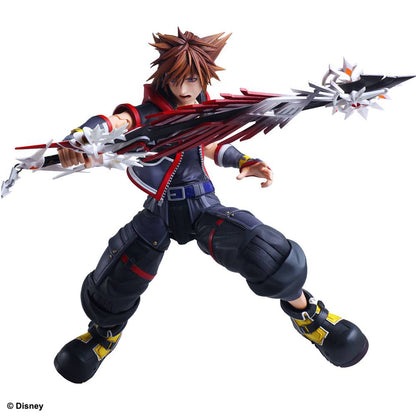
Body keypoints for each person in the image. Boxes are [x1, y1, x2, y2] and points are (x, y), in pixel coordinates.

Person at [54, 29, 368, 383]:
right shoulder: (147, 115)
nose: (184, 88)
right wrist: (78, 139)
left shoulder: (203, 112)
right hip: (159, 210)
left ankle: (309, 316)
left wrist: (244, 161)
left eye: (192, 79)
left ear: (204, 77)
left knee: (265, 252)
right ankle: (104, 333)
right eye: (176, 79)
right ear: (164, 77)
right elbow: (112, 123)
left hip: (200, 204)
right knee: (117, 275)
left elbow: (209, 146)